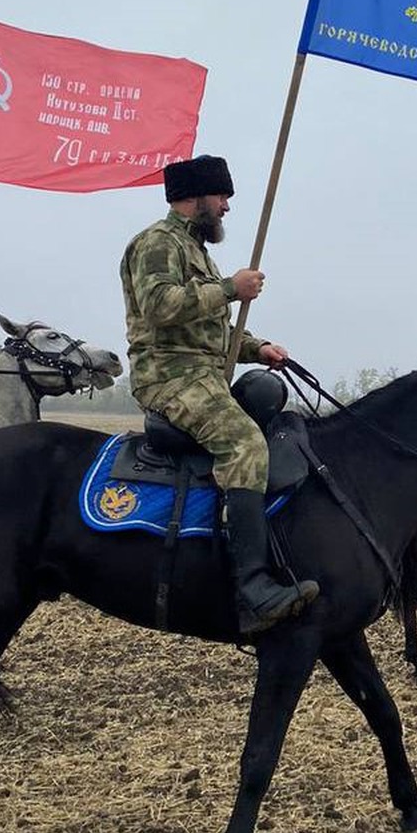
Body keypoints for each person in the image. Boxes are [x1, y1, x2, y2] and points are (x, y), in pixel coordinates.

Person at [120, 155, 319, 636]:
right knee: (245, 444)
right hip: (170, 377)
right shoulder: (157, 243)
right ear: (196, 197)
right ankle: (252, 590)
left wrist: (257, 347)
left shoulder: (196, 251)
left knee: (271, 400)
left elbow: (211, 329)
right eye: (222, 196)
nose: (227, 206)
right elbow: (162, 306)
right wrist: (231, 287)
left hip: (203, 371)